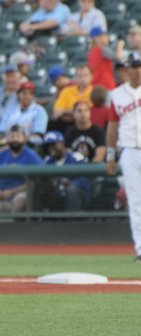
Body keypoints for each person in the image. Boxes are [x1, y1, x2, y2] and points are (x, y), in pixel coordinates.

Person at [106, 51, 141, 263]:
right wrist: (110, 155)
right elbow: (112, 126)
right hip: (129, 151)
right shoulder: (117, 95)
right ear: (126, 70)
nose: (137, 71)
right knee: (136, 202)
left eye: (139, 67)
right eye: (133, 67)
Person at [40, 130, 89, 211]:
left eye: (54, 145)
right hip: (57, 196)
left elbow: (83, 180)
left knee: (72, 190)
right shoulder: (47, 161)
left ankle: (71, 222)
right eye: (49, 146)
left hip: (78, 196)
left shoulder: (76, 157)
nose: (51, 148)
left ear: (62, 144)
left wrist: (66, 183)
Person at [50, 64, 93, 134]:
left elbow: (91, 114)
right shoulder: (66, 91)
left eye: (86, 75)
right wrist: (78, 114)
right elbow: (56, 113)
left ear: (91, 76)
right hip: (67, 127)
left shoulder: (94, 93)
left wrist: (64, 111)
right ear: (76, 77)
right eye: (80, 76)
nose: (83, 78)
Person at [88, 26, 124, 91]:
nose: (107, 37)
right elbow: (119, 57)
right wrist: (120, 46)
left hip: (95, 86)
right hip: (107, 85)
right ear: (96, 38)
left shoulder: (91, 52)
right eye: (104, 36)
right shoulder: (102, 49)